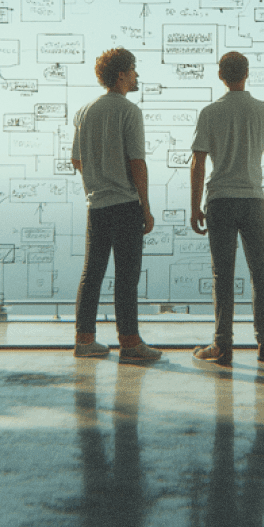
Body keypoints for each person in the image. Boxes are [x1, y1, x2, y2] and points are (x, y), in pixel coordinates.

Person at [188, 51, 264, 365]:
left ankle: (222, 344)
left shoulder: (210, 112)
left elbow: (198, 161)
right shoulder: (263, 111)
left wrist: (195, 207)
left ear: (221, 76)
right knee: (259, 271)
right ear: (247, 74)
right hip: (253, 200)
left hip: (220, 200)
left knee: (223, 274)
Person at [71, 47, 160, 361]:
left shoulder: (84, 112)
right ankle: (130, 343)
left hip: (95, 205)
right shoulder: (129, 111)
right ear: (122, 74)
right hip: (124, 205)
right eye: (134, 69)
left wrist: (98, 178)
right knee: (126, 277)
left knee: (91, 274)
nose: (137, 75)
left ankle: (84, 340)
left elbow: (76, 160)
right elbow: (137, 162)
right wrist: (145, 207)